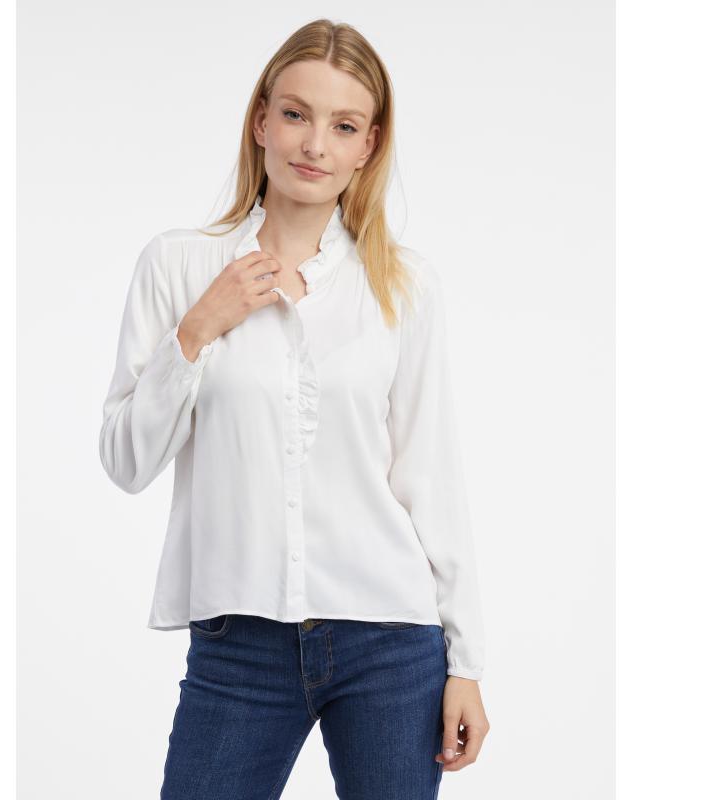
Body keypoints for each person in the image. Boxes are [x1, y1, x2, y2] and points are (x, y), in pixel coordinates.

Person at [99, 18, 490, 799]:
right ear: (260, 121)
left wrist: (467, 663)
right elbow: (125, 461)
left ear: (368, 146)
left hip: (390, 638)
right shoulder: (179, 265)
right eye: (295, 114)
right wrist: (197, 330)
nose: (314, 144)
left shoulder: (404, 286)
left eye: (342, 126)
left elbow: (431, 477)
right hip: (238, 641)